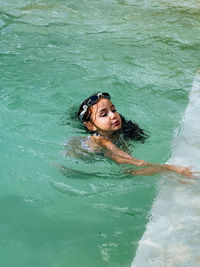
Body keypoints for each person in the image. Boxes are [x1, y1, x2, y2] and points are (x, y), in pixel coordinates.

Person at [75, 92, 196, 177]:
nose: (113, 115)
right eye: (104, 114)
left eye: (113, 110)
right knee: (130, 169)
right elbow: (126, 159)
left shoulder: (118, 132)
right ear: (90, 126)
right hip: (79, 161)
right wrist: (169, 168)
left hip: (101, 153)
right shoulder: (98, 140)